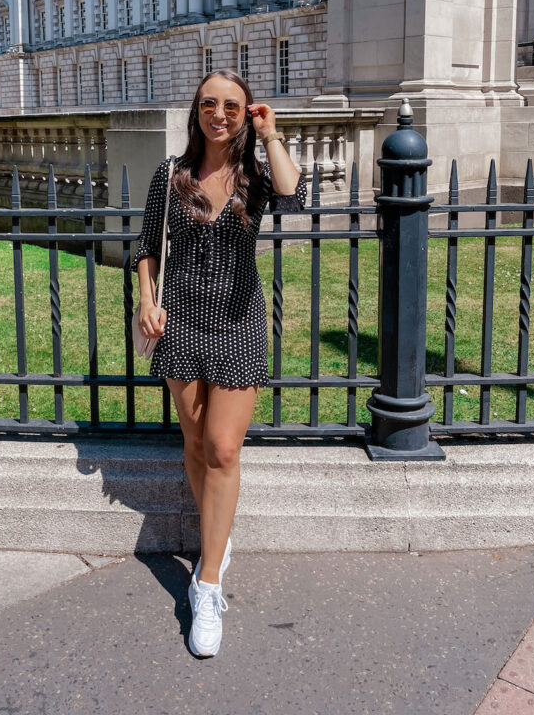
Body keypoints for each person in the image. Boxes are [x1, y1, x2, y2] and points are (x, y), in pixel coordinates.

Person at [132, 69, 307, 658]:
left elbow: (292, 195)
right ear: (196, 111)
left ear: (244, 112)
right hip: (180, 322)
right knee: (195, 441)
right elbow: (146, 249)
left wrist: (272, 133)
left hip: (237, 322)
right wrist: (146, 301)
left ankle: (208, 583)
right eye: (210, 103)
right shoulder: (171, 175)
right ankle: (217, 534)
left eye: (231, 105)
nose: (220, 113)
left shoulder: (256, 175)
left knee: (225, 447)